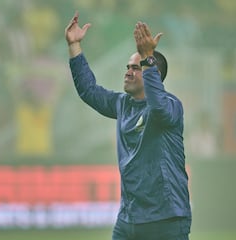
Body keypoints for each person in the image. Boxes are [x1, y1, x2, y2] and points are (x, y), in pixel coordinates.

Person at [65, 12, 192, 240]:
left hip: (166, 219)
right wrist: (75, 46)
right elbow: (89, 90)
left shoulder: (171, 106)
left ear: (154, 74)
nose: (128, 71)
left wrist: (149, 59)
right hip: (129, 219)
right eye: (128, 66)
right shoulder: (123, 104)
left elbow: (159, 110)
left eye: (136, 67)